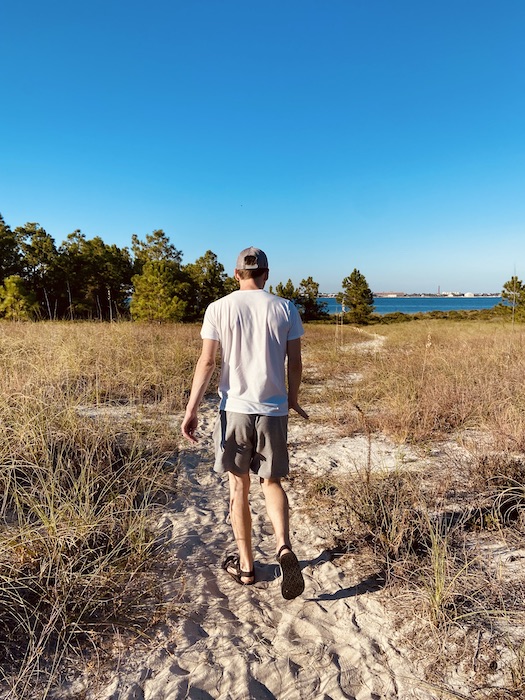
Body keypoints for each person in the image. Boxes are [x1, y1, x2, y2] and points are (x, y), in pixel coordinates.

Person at [181, 246, 308, 599]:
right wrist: (292, 398)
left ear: (236, 274)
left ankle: (247, 567)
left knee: (239, 487)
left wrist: (192, 409)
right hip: (273, 411)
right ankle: (283, 547)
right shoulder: (285, 307)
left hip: (234, 409)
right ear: (266, 274)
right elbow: (295, 362)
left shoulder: (218, 308)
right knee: (272, 482)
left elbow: (207, 362)